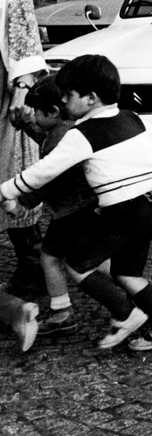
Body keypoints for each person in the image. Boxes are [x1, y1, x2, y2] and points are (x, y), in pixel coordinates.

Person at [0, 54, 152, 350]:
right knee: (128, 275)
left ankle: (125, 314)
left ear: (90, 98)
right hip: (146, 208)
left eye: (68, 95)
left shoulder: (81, 134)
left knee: (77, 265)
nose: (63, 101)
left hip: (121, 211)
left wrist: (7, 190)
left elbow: (45, 171)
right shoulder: (131, 117)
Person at [14, 76, 95, 338]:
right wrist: (28, 125)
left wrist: (25, 202)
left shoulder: (60, 136)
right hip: (82, 208)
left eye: (36, 112)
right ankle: (138, 293)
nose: (33, 115)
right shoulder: (66, 129)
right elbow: (46, 140)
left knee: (52, 258)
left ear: (53, 112)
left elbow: (50, 176)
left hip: (71, 210)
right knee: (96, 259)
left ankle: (63, 313)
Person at [0, 0, 45, 299]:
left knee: (12, 173)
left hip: (3, 89)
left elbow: (24, 36)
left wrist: (23, 87)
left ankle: (32, 265)